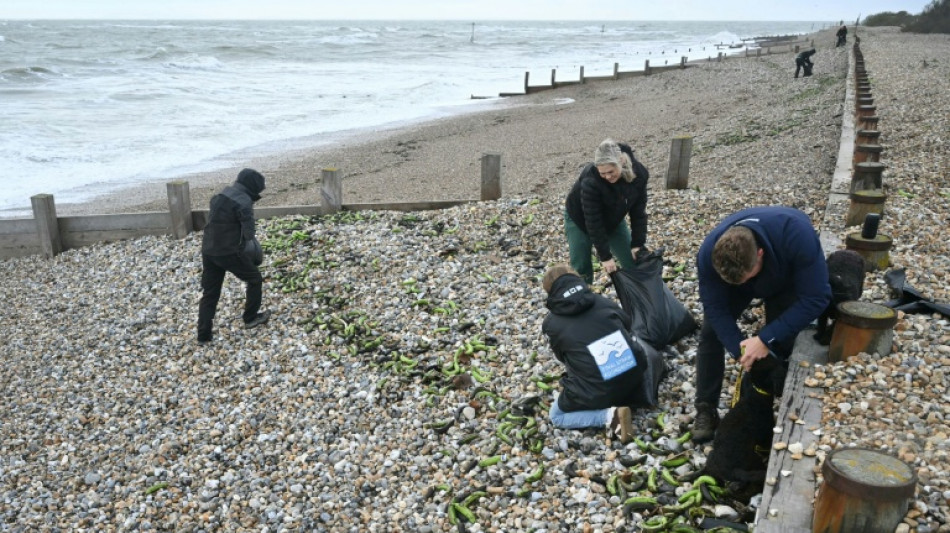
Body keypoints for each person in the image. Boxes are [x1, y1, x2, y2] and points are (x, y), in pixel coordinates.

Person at [691, 206, 831, 442]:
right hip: (740, 277)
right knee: (711, 334)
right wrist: (740, 350)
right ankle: (705, 407)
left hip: (783, 276)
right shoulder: (708, 253)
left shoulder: (798, 237)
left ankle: (762, 396)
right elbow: (715, 308)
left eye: (746, 276)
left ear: (760, 254)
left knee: (779, 340)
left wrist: (766, 339)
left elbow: (817, 297)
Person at [541, 264, 667, 443]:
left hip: (598, 391)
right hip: (635, 374)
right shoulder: (601, 301)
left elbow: (562, 357)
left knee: (557, 416)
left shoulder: (551, 324)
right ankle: (628, 392)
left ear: (550, 292)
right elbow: (627, 325)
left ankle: (610, 417)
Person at [197, 168, 271, 344]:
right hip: (229, 252)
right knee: (255, 279)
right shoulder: (244, 202)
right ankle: (250, 317)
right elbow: (249, 234)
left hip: (208, 250)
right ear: (253, 187)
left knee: (210, 293)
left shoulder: (219, 195)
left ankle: (203, 336)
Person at [564, 138, 649, 284]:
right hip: (579, 218)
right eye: (602, 173)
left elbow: (638, 213)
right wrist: (605, 257)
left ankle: (640, 292)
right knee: (581, 266)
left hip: (613, 217)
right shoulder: (591, 180)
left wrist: (637, 244)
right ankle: (583, 294)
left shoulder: (639, 175)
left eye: (611, 171)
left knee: (632, 260)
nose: (608, 177)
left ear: (621, 161)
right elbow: (593, 220)